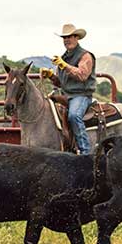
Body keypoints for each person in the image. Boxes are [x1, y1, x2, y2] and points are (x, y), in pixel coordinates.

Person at [40, 24, 97, 154]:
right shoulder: (64, 57)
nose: (66, 40)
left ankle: (85, 151)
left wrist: (64, 65)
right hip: (67, 95)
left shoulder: (85, 56)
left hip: (81, 96)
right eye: (64, 37)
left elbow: (82, 75)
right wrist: (51, 76)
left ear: (77, 37)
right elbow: (62, 83)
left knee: (74, 115)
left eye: (69, 36)